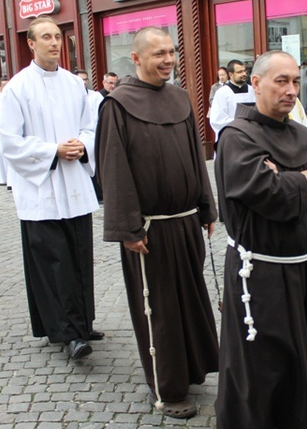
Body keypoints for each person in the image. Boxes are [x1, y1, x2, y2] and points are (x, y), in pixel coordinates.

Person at [96, 26, 219, 419]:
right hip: (148, 229)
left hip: (185, 222)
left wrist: (206, 207)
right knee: (159, 309)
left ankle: (192, 368)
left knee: (190, 299)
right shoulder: (118, 104)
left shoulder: (180, 97)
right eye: (158, 54)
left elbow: (195, 157)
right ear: (136, 58)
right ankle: (168, 387)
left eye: (171, 52)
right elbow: (114, 169)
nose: (167, 60)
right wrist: (128, 228)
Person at [214, 50, 307, 428]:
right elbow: (267, 195)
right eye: (280, 81)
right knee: (263, 367)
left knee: (305, 357)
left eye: (296, 82)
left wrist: (290, 180)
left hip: (303, 269)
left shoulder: (303, 135)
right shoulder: (237, 137)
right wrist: (304, 179)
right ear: (255, 84)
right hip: (260, 273)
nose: (291, 90)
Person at [0, 16, 102, 360]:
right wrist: (52, 151)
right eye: (46, 37)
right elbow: (10, 143)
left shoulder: (75, 84)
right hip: (41, 189)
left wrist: (82, 145)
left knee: (78, 257)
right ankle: (67, 333)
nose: (55, 42)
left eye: (58, 36)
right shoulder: (17, 87)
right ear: (31, 43)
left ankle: (83, 321)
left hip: (73, 182)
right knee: (53, 262)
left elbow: (92, 126)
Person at [209, 60, 256, 137]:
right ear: (231, 74)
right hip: (233, 136)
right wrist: (241, 123)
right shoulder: (222, 93)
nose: (244, 74)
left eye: (244, 71)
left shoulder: (252, 90)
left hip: (252, 135)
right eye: (239, 72)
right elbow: (217, 120)